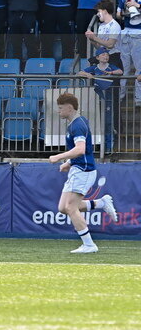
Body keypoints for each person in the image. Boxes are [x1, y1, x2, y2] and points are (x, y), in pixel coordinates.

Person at [47, 92, 118, 253]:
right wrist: (69, 162)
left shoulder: (77, 125)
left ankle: (89, 244)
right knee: (63, 208)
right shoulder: (76, 123)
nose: (58, 111)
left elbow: (80, 149)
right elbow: (83, 151)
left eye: (60, 108)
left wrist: (58, 157)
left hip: (83, 171)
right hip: (77, 168)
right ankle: (101, 203)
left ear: (69, 108)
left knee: (71, 208)